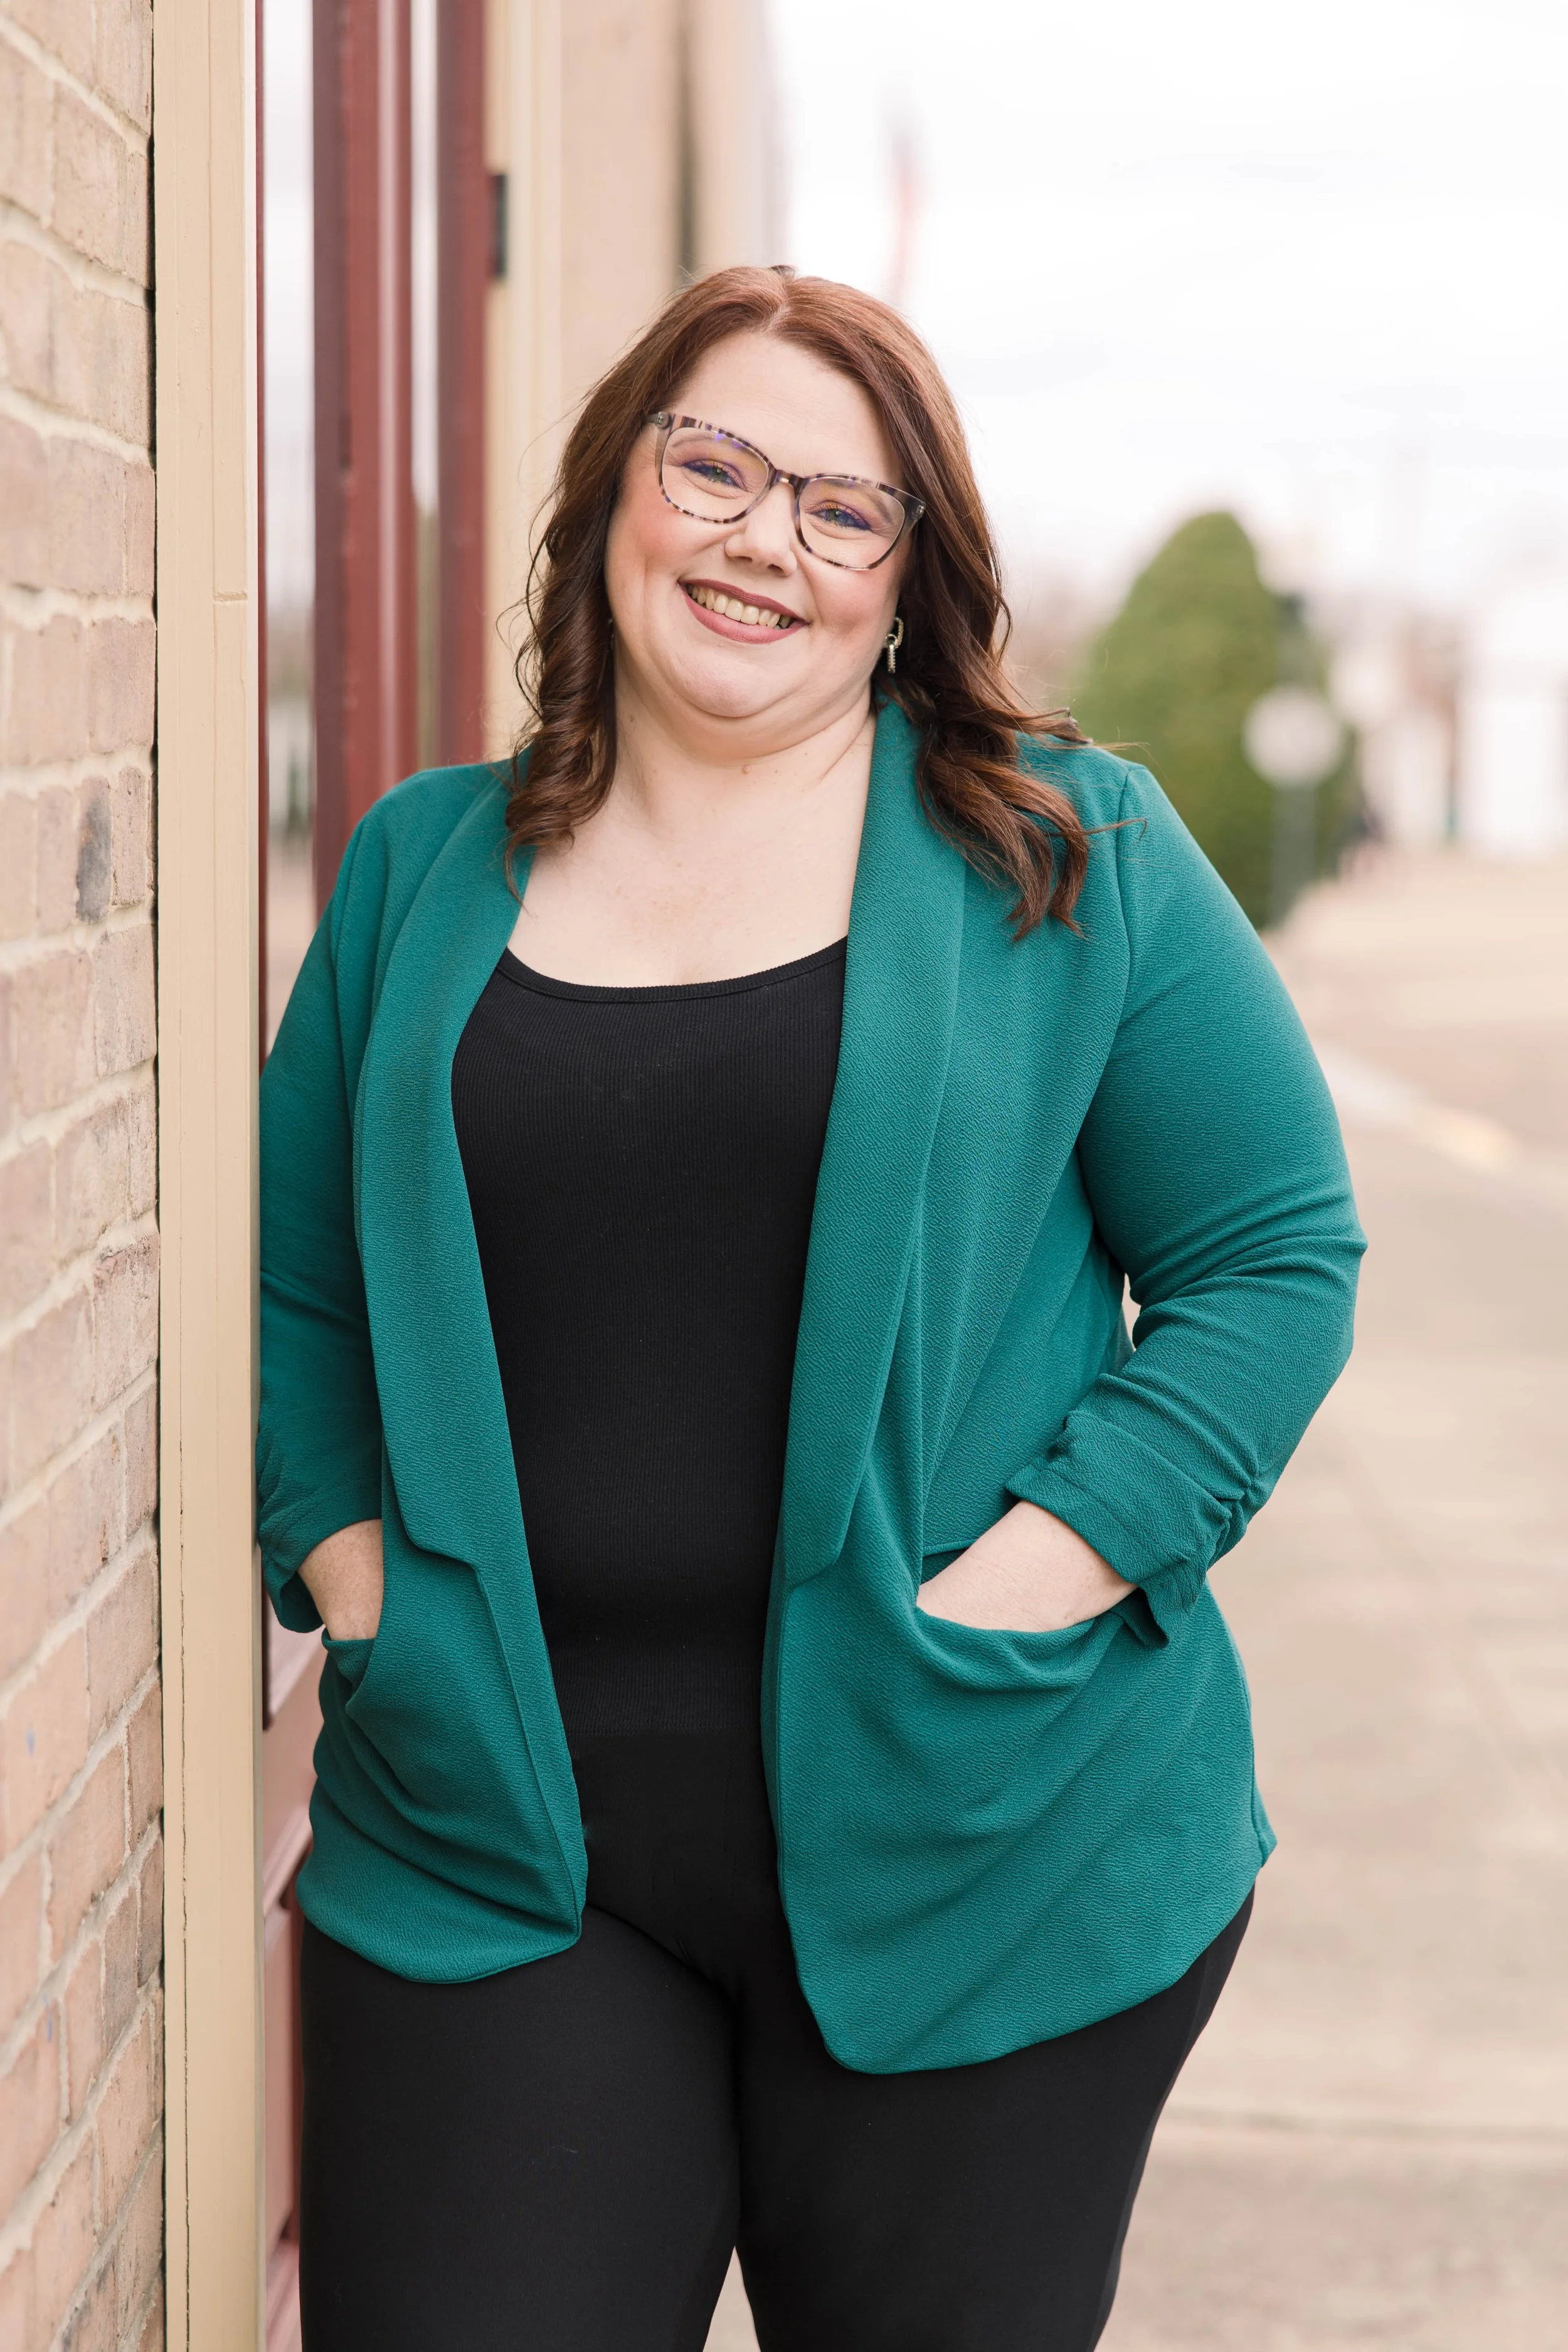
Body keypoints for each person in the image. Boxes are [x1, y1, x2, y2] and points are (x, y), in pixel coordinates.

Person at [258, 266, 1363, 2352]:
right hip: (497, 1836)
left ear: (903, 576)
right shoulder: (421, 872)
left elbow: (1270, 1259)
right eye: (718, 465)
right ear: (617, 496)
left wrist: (1031, 1579)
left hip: (973, 1839)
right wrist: (353, 1581)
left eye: (843, 509)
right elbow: (295, 1286)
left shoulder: (1061, 851)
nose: (766, 535)